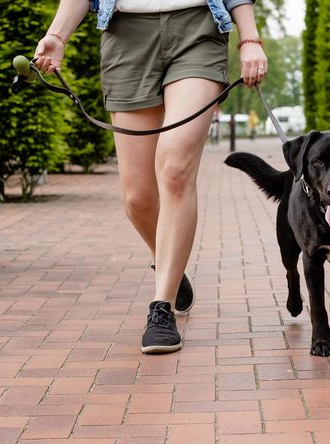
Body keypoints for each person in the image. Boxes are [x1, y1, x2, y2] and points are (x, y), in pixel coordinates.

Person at [34, 0, 268, 354]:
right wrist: (57, 35)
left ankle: (162, 308)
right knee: (138, 198)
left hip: (198, 29)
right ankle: (170, 267)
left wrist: (250, 37)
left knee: (174, 168)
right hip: (126, 35)